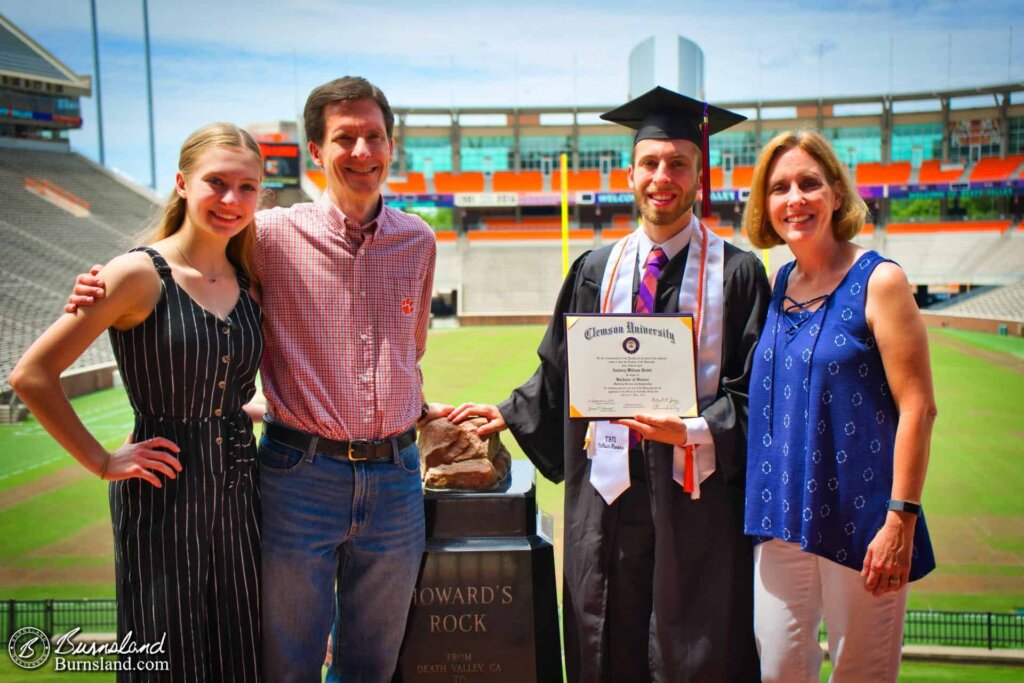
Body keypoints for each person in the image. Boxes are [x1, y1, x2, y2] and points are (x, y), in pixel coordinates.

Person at [68, 77, 450, 683]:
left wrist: (425, 408)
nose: (361, 152)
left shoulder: (418, 241)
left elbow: (409, 351)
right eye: (343, 138)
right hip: (301, 477)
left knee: (372, 666)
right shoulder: (265, 234)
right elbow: (184, 262)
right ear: (316, 152)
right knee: (285, 665)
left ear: (391, 145)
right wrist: (103, 284)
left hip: (397, 478)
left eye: (373, 136)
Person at [449, 86, 769, 681]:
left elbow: (759, 397)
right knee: (608, 639)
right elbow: (560, 371)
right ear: (630, 174)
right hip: (610, 497)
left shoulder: (739, 273)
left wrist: (697, 428)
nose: (662, 177)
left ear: (700, 176)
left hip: (694, 501)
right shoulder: (596, 269)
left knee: (694, 645)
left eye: (678, 164)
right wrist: (508, 413)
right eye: (650, 163)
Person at [11, 123, 265, 681]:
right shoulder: (136, 274)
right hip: (163, 493)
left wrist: (250, 409)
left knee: (242, 648)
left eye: (247, 187)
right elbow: (32, 375)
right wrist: (102, 461)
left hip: (243, 491)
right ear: (181, 183)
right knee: (164, 656)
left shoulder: (250, 278)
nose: (231, 200)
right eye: (216, 182)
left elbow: (216, 383)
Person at [741, 130, 937, 682]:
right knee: (778, 670)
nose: (794, 199)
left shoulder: (881, 281)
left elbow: (919, 408)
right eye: (779, 188)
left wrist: (899, 520)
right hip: (781, 516)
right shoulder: (779, 283)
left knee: (861, 674)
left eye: (809, 183)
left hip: (864, 519)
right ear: (765, 204)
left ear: (834, 193)